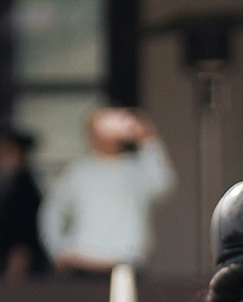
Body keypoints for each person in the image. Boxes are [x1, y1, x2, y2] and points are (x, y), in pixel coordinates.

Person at [41, 107, 172, 274]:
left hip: (126, 262)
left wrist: (148, 140)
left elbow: (162, 186)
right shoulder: (78, 172)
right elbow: (52, 212)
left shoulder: (136, 169)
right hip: (83, 263)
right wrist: (58, 251)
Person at [0, 127, 49, 279]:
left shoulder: (24, 191)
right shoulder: (7, 188)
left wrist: (15, 269)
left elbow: (23, 238)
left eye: (5, 153)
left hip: (20, 276)